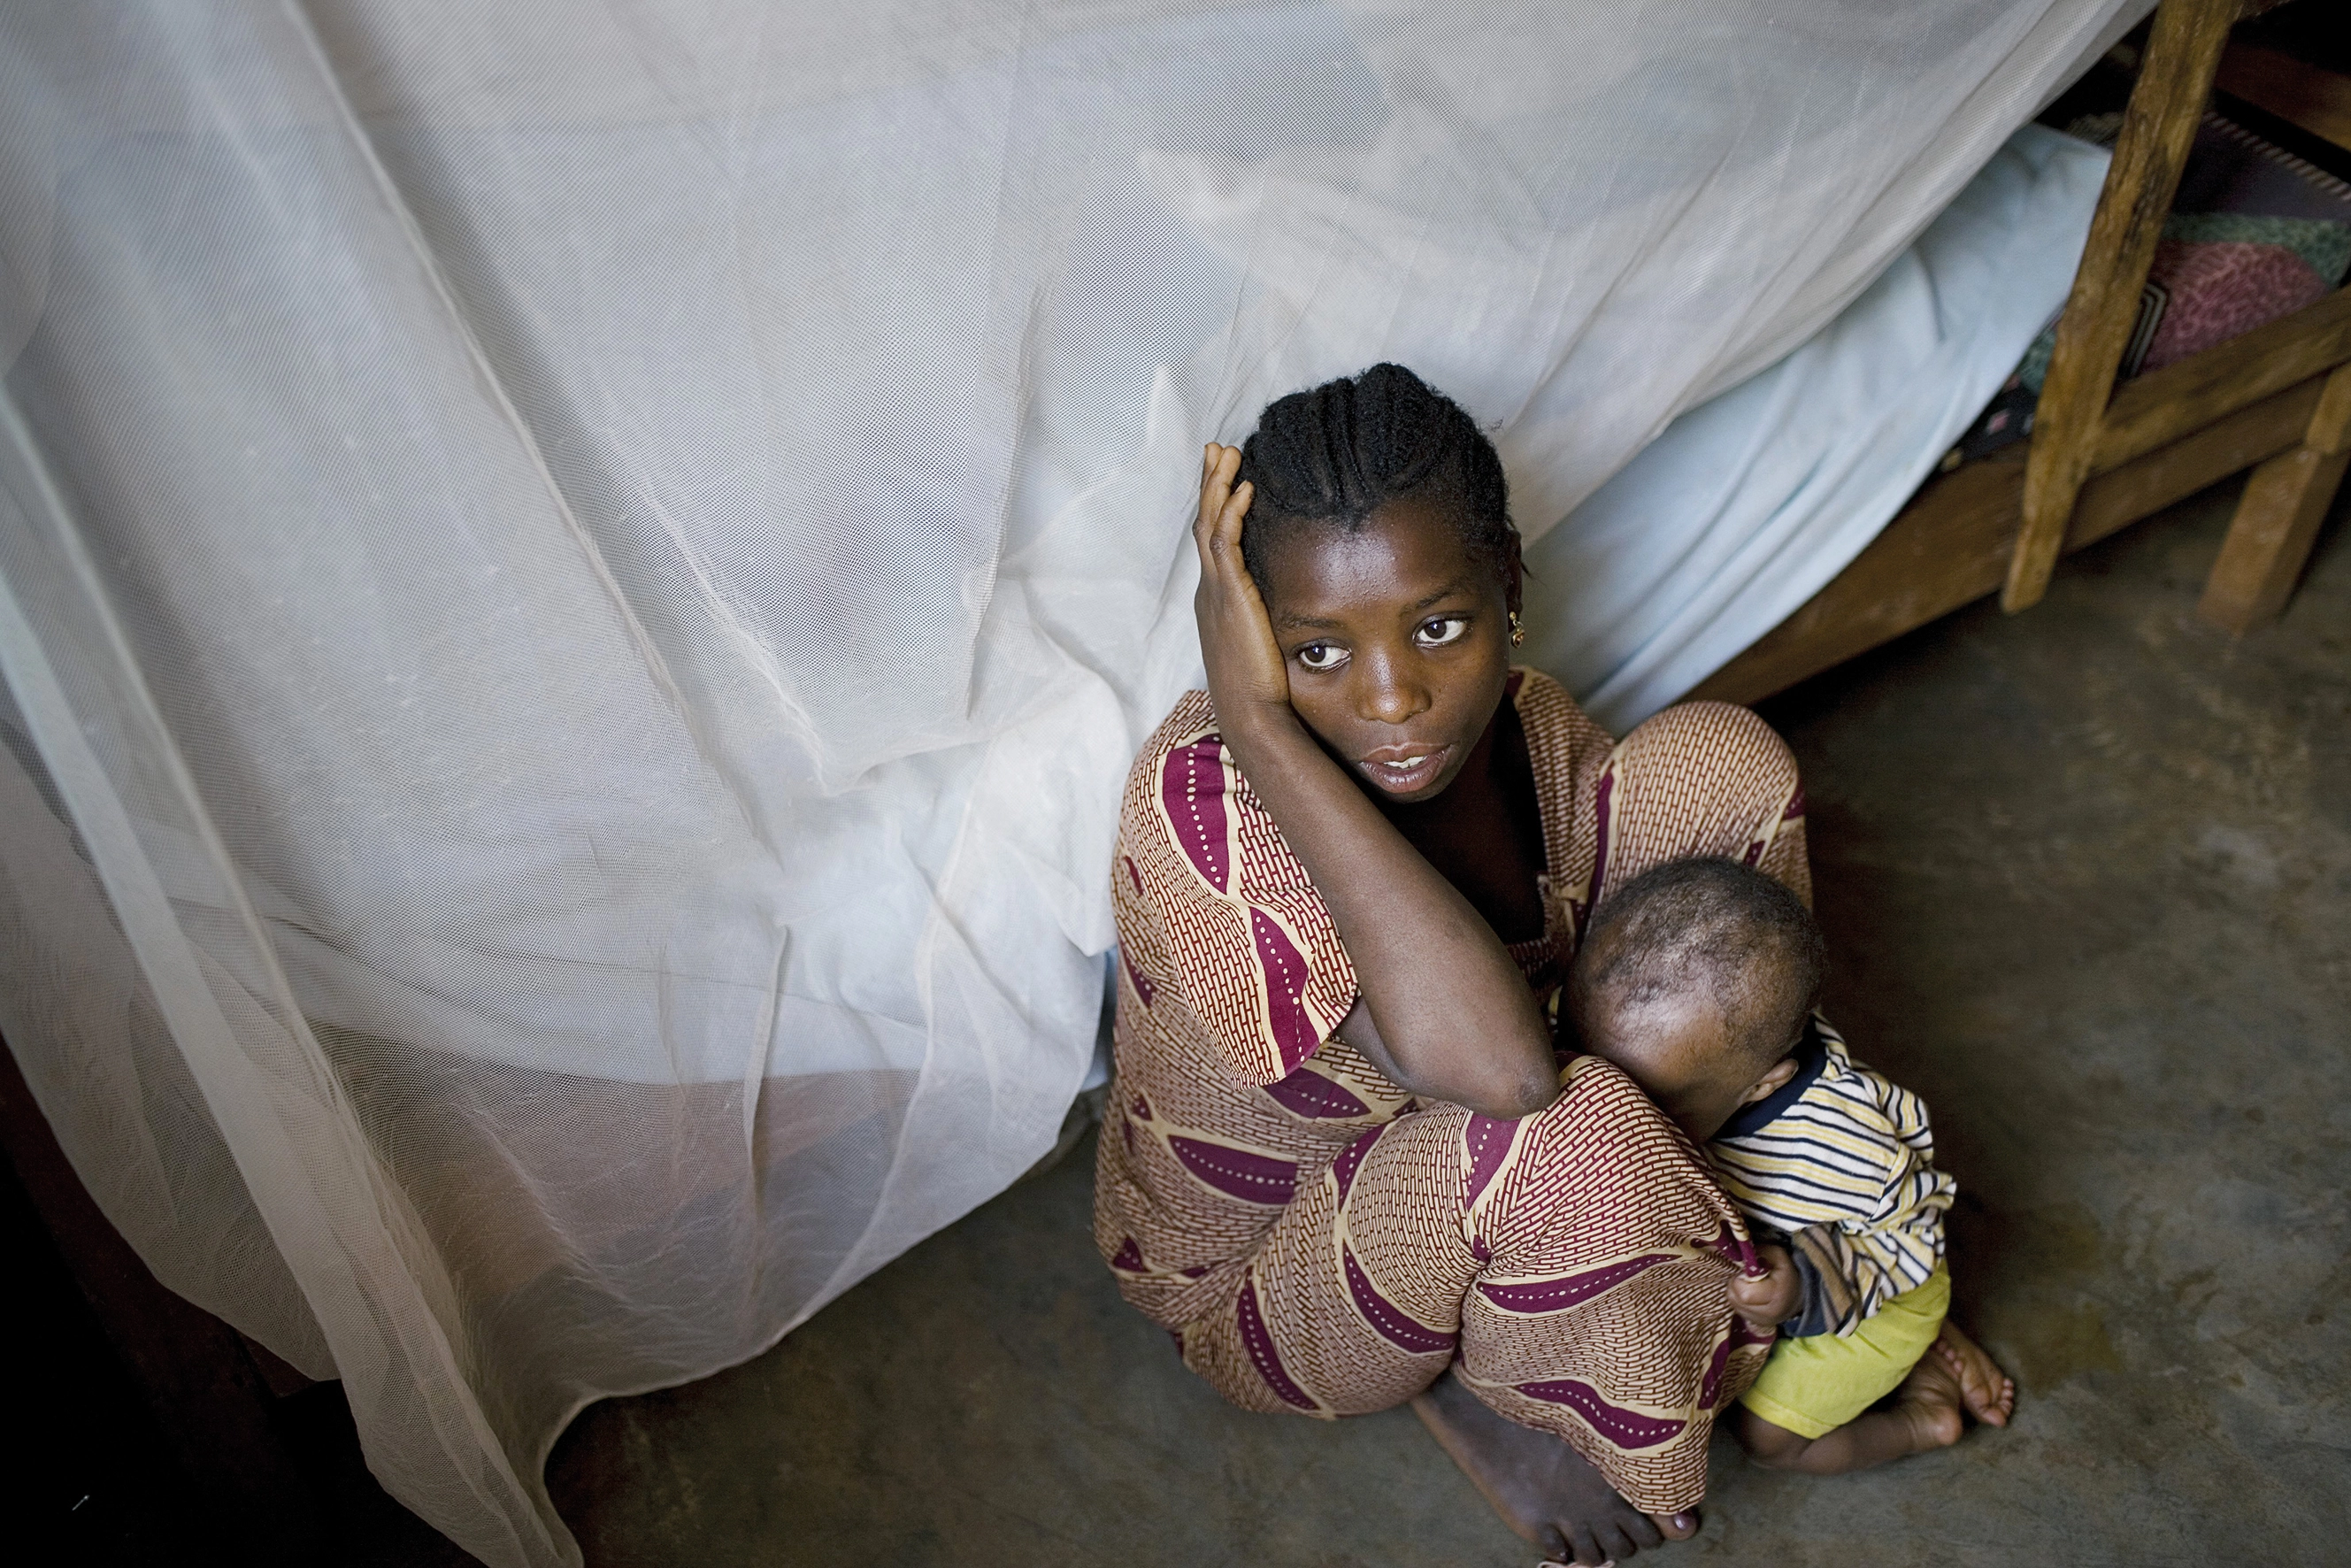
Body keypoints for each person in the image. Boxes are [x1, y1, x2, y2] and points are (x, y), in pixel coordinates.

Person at [1095, 363, 1817, 1566]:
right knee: (1558, 1133)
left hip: (1504, 1114)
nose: (1394, 698)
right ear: (1247, 646)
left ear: (1508, 589)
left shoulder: (1524, 723)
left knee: (1722, 762)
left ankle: (1780, 1215)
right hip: (1276, 1279)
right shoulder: (1202, 809)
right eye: (1314, 652)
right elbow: (1506, 1078)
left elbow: (1613, 997)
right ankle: (1510, 1376)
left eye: (1436, 627)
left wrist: (1879, 1261)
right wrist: (1260, 726)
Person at [1564, 855, 2016, 1473]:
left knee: (1767, 1440)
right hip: (1794, 1247)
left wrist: (1804, 1286)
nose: (1609, 1110)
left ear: (1762, 1085)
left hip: (1881, 1285)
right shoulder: (1689, 1041)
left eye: (1656, 1103)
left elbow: (1910, 1241)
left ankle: (1921, 1417)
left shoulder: (1846, 1149)